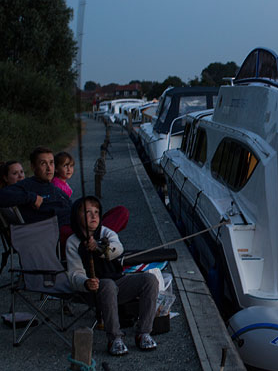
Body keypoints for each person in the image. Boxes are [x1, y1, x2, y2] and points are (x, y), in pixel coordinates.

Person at [66, 196, 159, 355]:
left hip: (118, 283)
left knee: (149, 280)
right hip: (92, 291)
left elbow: (118, 249)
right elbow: (74, 274)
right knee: (107, 284)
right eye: (88, 212)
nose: (94, 216)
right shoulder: (72, 242)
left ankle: (144, 332)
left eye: (96, 212)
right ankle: (115, 338)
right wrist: (86, 282)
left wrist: (99, 248)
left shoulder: (106, 232)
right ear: (76, 216)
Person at [0, 146, 71, 226]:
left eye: (51, 162)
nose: (49, 168)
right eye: (43, 164)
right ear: (33, 167)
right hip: (54, 232)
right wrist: (31, 197)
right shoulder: (26, 185)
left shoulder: (54, 187)